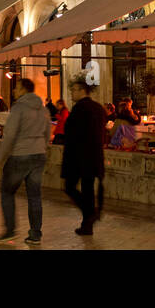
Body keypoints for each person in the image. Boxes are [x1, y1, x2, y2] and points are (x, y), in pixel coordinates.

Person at [0, 78, 50, 245]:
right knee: (34, 196)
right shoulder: (43, 109)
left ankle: (10, 230)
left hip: (20, 155)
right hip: (38, 154)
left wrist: (0, 159)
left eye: (17, 88)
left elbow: (10, 135)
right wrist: (42, 147)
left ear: (24, 90)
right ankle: (35, 234)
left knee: (7, 192)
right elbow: (47, 133)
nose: (14, 91)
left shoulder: (19, 108)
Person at [61, 80, 106, 236]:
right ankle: (87, 225)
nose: (72, 93)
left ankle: (90, 214)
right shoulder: (99, 109)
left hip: (79, 157)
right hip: (94, 156)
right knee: (87, 189)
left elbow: (73, 135)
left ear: (82, 90)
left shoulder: (79, 109)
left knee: (70, 187)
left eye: (73, 90)